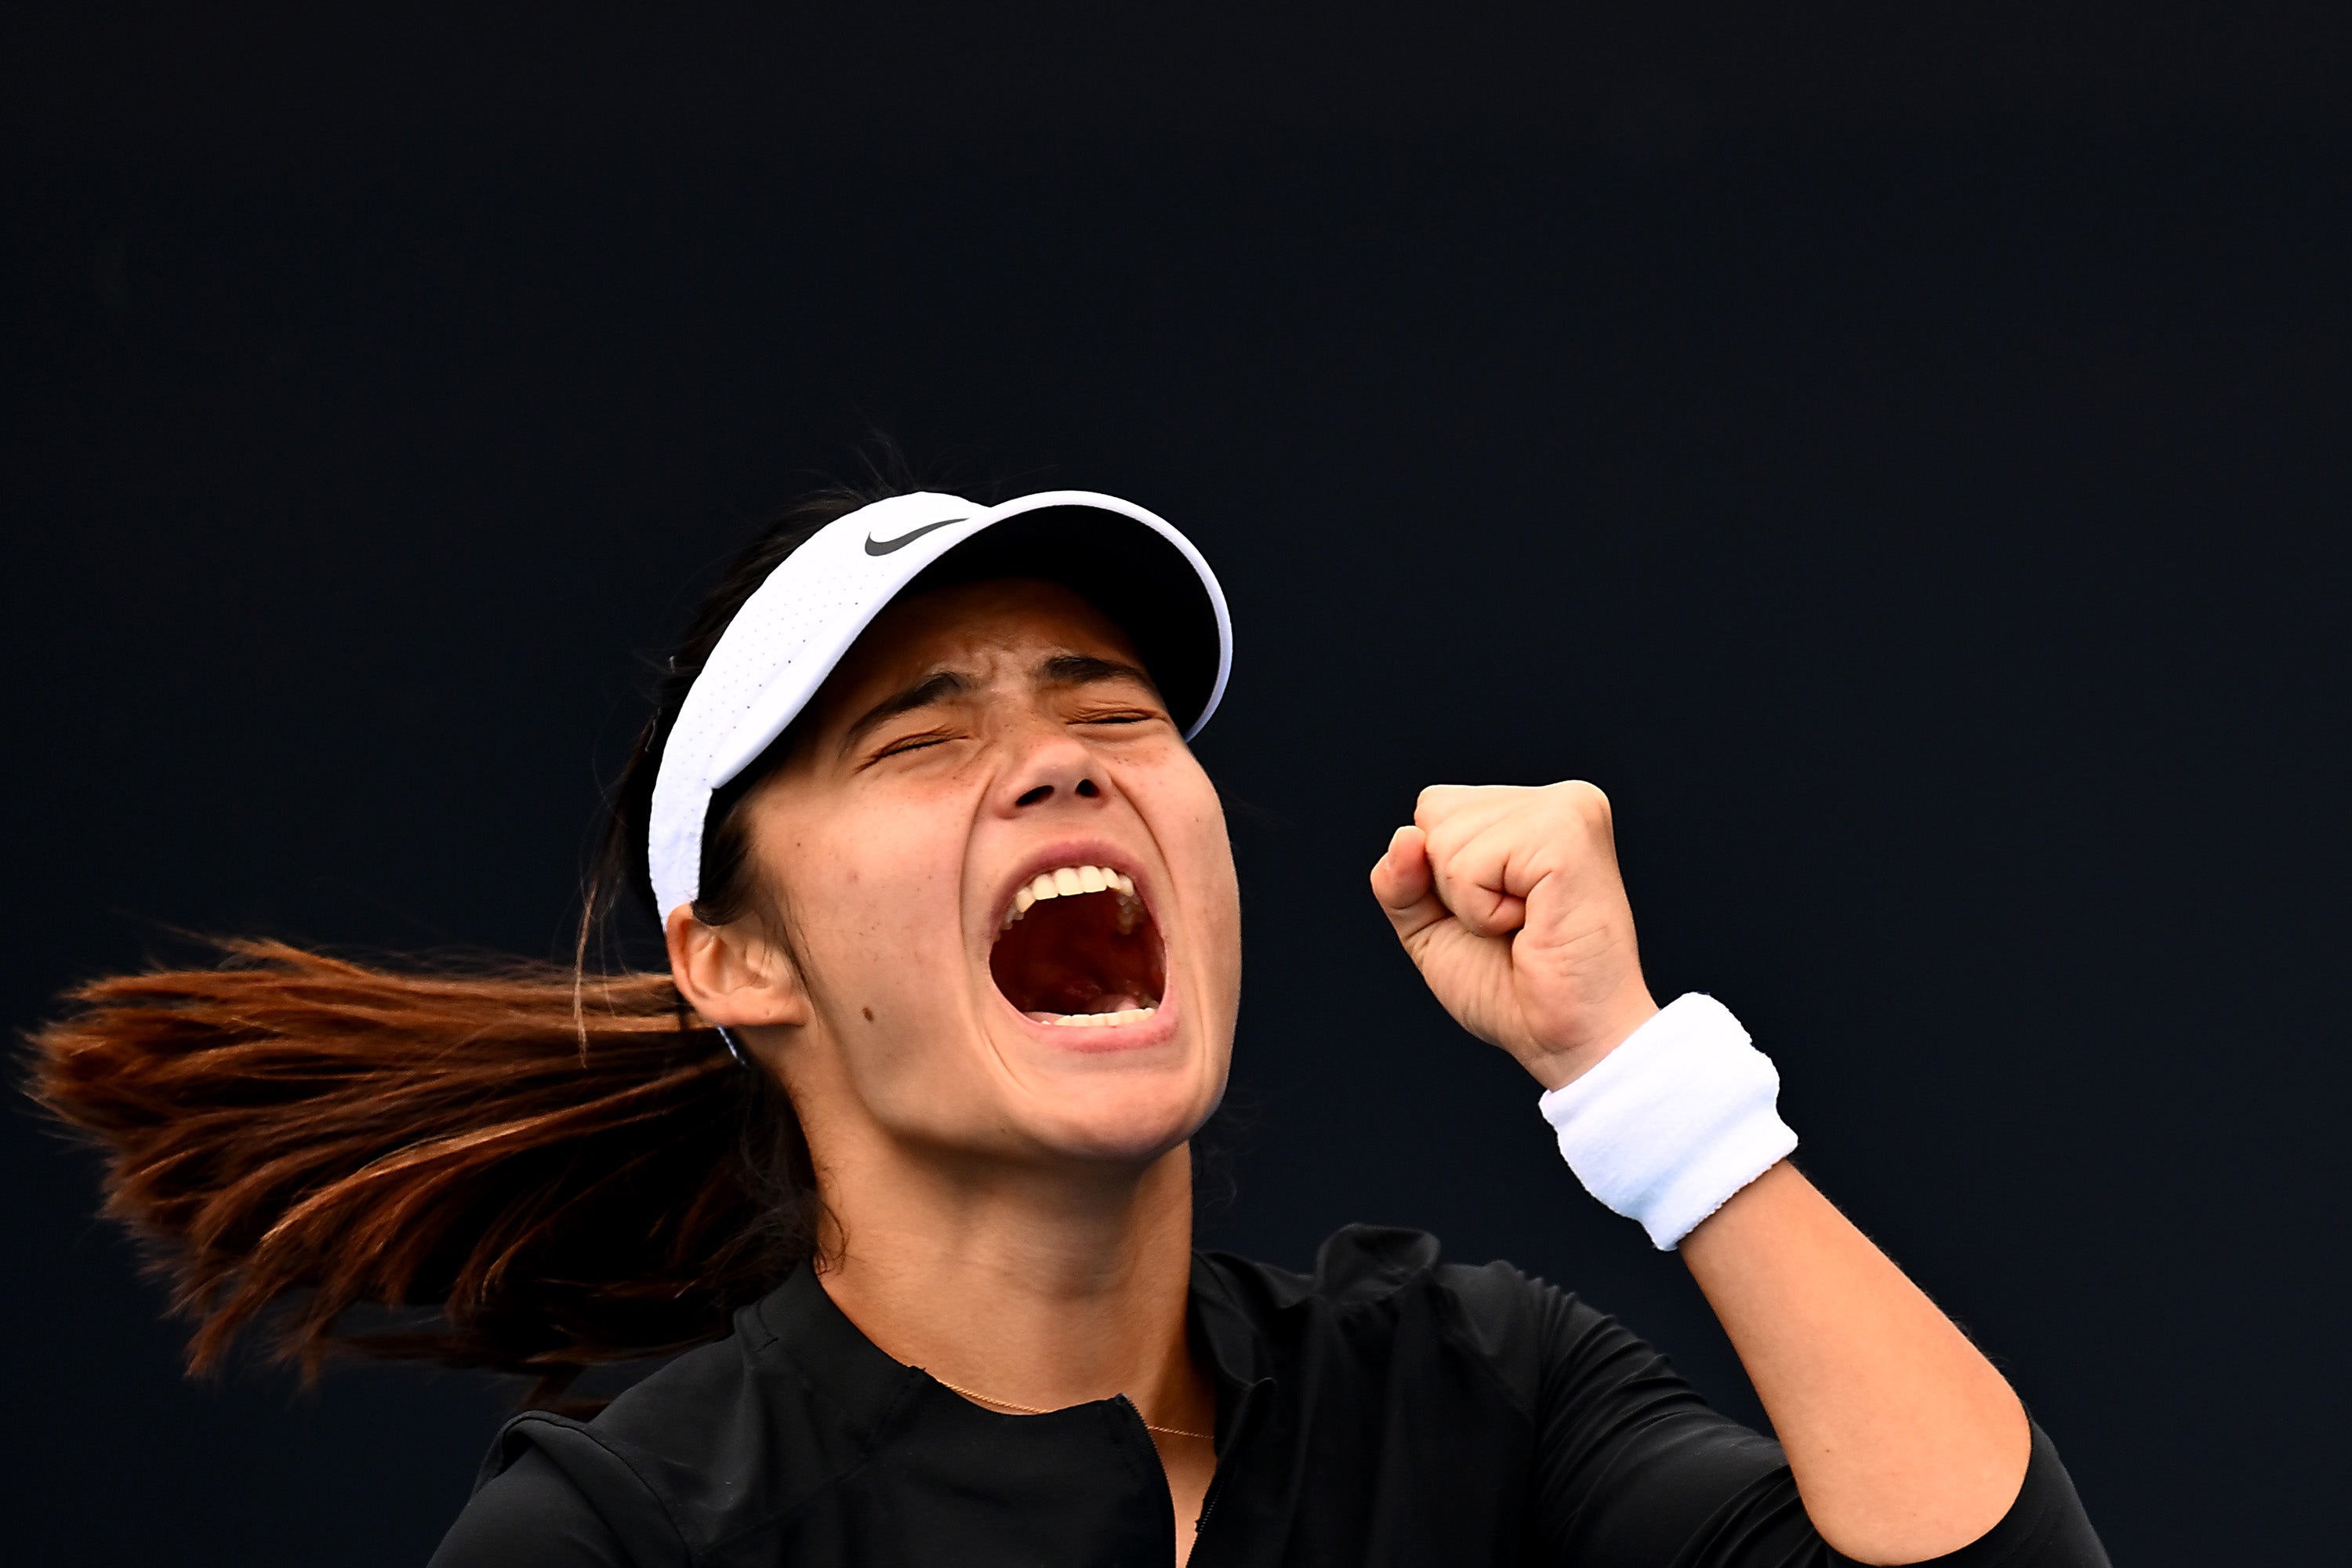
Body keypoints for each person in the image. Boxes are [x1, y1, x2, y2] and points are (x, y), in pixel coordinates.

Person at [31, 479, 2110, 1567]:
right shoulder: (630, 1541)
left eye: (1115, 711)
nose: (1060, 764)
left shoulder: (1471, 1398)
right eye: (920, 738)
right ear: (728, 959)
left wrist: (1641, 1080)